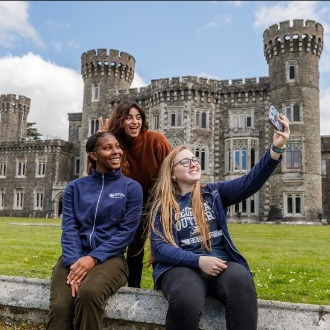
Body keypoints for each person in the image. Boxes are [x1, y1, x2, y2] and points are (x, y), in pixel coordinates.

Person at [148, 115, 290, 330]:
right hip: (180, 268)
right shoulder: (163, 206)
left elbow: (250, 181)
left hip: (220, 263)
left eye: (195, 159)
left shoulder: (214, 193)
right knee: (186, 299)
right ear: (172, 173)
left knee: (242, 282)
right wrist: (198, 261)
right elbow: (160, 250)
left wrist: (276, 148)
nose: (194, 163)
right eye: (185, 162)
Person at [46, 131, 143, 330]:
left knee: (89, 294)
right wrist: (75, 263)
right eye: (108, 148)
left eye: (117, 146)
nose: (116, 152)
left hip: (112, 259)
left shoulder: (131, 188)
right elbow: (70, 227)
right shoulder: (74, 187)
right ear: (93, 155)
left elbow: (126, 232)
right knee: (60, 307)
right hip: (73, 257)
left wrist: (93, 258)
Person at [104, 99, 172, 288]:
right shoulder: (116, 145)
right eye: (128, 118)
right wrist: (101, 140)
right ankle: (133, 288)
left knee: (162, 245)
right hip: (131, 202)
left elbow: (171, 170)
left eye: (138, 117)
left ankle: (164, 286)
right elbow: (99, 171)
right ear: (119, 121)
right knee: (134, 248)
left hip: (159, 199)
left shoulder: (155, 140)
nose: (135, 122)